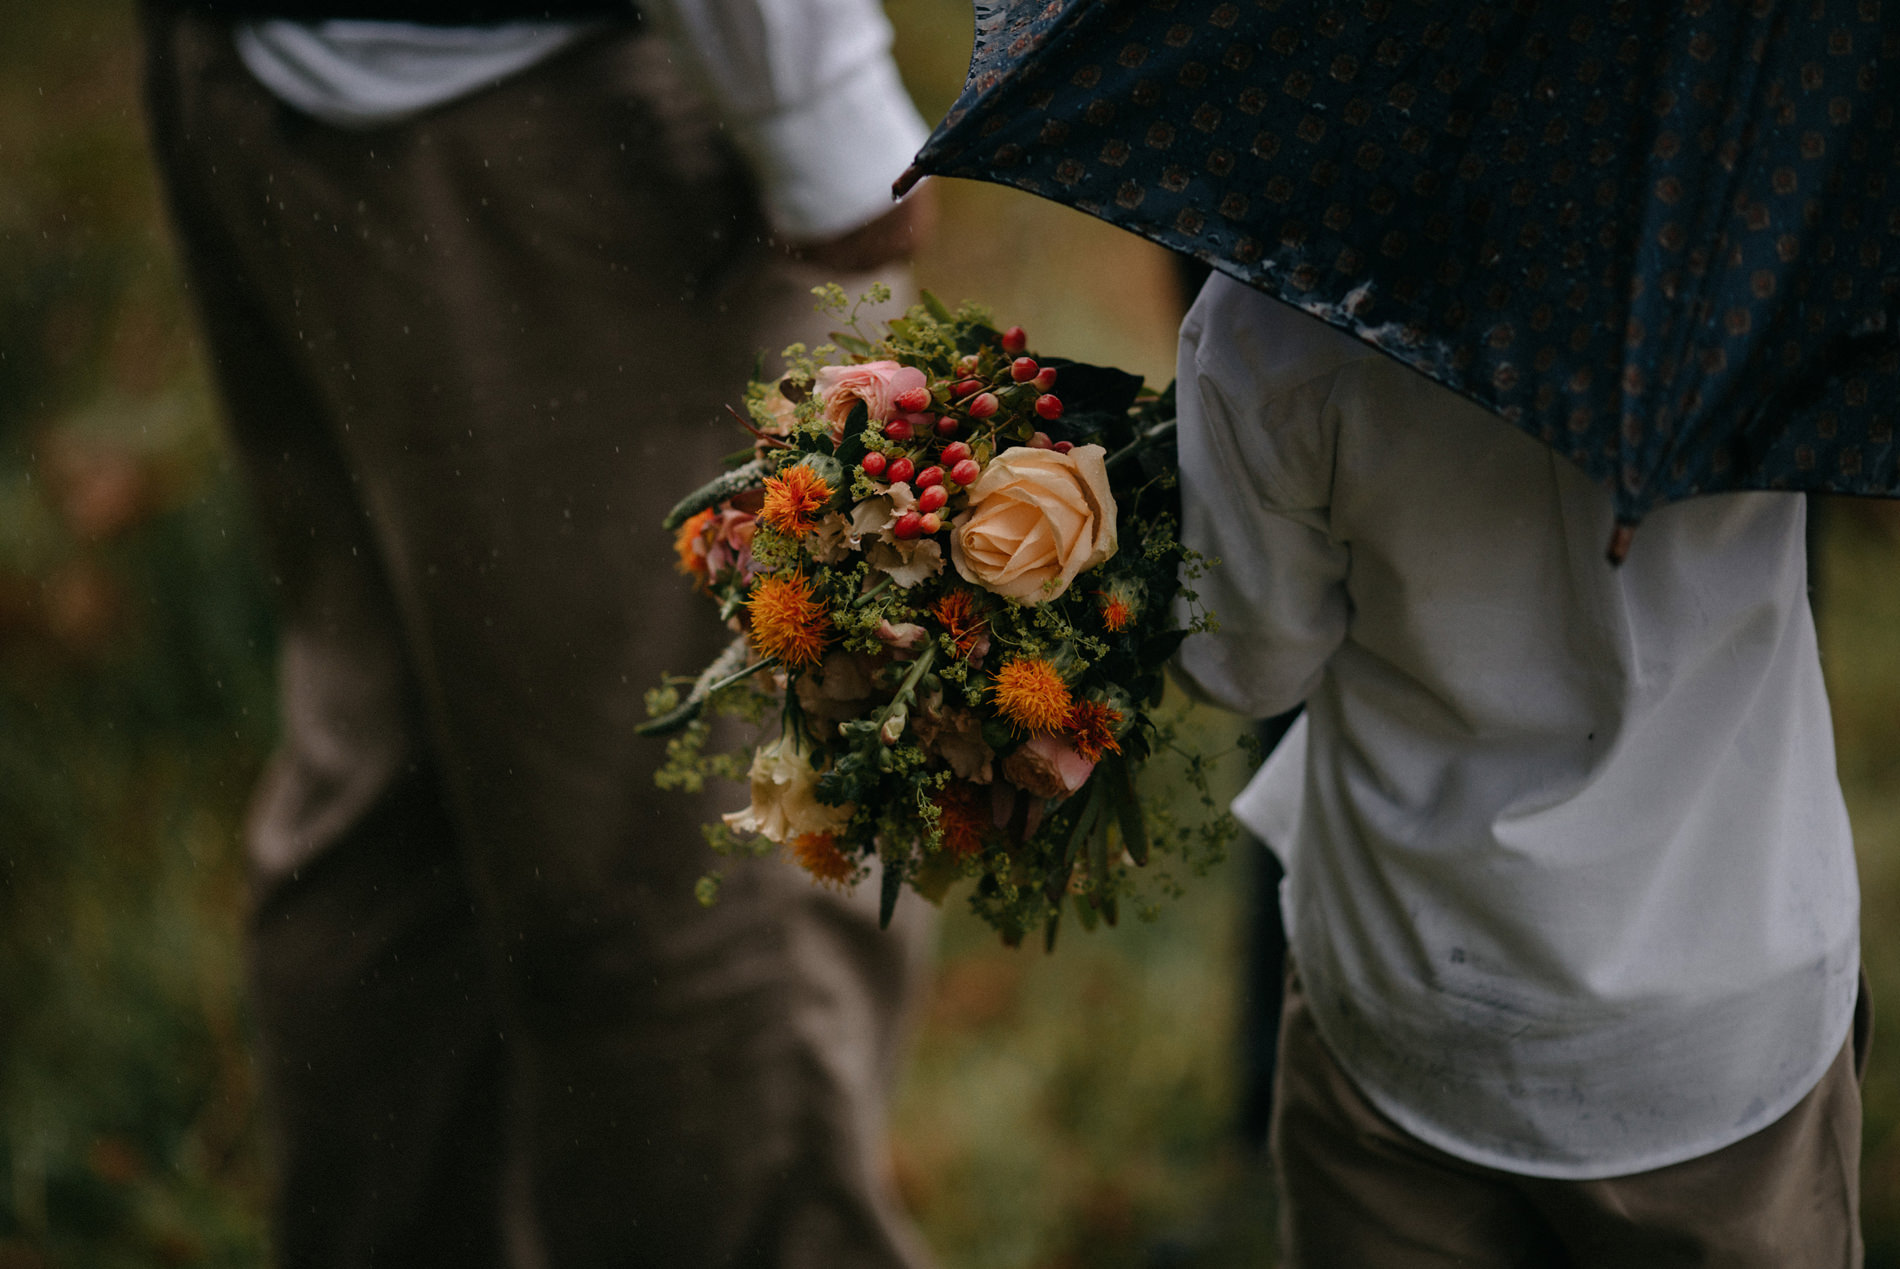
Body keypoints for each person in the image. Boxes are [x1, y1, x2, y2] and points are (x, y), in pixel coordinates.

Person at [139, 2, 937, 1264]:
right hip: (554, 120)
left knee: (411, 789)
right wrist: (816, 108)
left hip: (281, 71)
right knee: (708, 857)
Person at [1173, 271, 1866, 1267]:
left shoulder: (1275, 311)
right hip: (1726, 1005)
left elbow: (1245, 666)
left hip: (1411, 985)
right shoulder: (1771, 262)